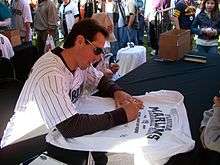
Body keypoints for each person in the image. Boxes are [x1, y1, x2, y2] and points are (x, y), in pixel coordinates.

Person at [13, 18, 144, 165]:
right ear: (80, 41)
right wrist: (122, 115)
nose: (99, 56)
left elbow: (100, 79)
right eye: (97, 50)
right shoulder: (51, 73)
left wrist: (116, 91)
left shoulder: (79, 62)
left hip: (53, 133)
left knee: (97, 140)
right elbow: (70, 126)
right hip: (26, 143)